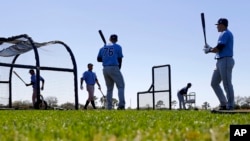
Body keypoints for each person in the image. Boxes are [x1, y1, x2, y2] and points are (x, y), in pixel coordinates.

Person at [203, 18, 235, 110]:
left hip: (226, 60)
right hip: (220, 61)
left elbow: (220, 47)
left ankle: (230, 105)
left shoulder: (225, 33)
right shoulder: (223, 34)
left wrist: (209, 50)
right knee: (214, 83)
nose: (217, 26)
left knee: (227, 84)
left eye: (218, 25)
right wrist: (210, 48)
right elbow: (218, 49)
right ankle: (224, 103)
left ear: (222, 25)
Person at [97, 34, 125, 110]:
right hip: (114, 67)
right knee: (121, 86)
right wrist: (119, 68)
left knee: (109, 89)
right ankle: (121, 105)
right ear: (116, 39)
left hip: (105, 69)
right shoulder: (118, 47)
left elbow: (98, 59)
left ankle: (108, 107)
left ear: (109, 39)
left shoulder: (103, 47)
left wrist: (106, 57)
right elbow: (120, 59)